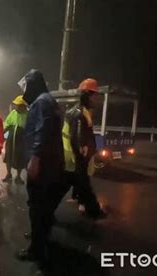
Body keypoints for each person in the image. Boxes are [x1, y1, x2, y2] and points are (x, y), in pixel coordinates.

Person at [16, 69, 64, 263]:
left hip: (43, 165)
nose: (24, 90)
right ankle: (40, 236)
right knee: (42, 206)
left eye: (26, 86)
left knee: (37, 206)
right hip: (51, 164)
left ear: (33, 84)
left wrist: (35, 158)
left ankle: (36, 249)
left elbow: (42, 131)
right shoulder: (48, 100)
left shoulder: (41, 102)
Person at [62, 78, 107, 219]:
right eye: (95, 95)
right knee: (82, 181)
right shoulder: (79, 112)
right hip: (77, 155)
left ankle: (83, 203)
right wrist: (82, 149)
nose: (96, 99)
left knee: (70, 182)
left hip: (75, 155)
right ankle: (93, 210)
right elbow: (78, 134)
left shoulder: (80, 110)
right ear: (87, 95)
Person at [2, 95, 28, 185]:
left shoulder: (28, 115)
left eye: (18, 105)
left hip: (21, 142)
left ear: (23, 106)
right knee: (8, 157)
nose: (16, 107)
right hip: (10, 140)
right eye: (16, 105)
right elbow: (7, 124)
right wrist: (2, 134)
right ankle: (8, 174)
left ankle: (18, 176)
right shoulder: (13, 113)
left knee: (20, 159)